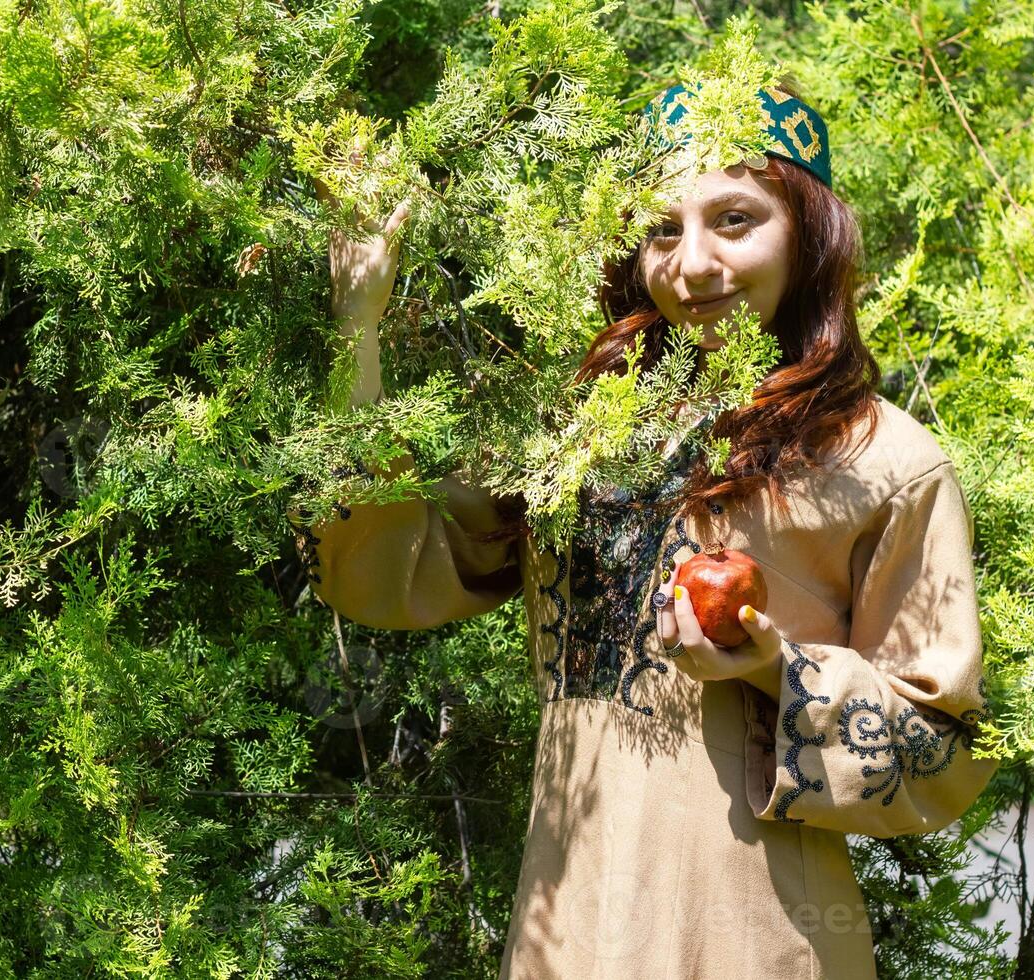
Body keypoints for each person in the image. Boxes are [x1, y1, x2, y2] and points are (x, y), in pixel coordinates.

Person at [290, 81, 997, 979]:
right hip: (568, 932)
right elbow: (378, 571)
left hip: (760, 943)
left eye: (734, 220)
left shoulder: (884, 458)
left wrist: (777, 668)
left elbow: (942, 749)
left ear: (810, 232)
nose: (692, 264)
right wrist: (359, 327)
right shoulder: (577, 430)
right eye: (663, 228)